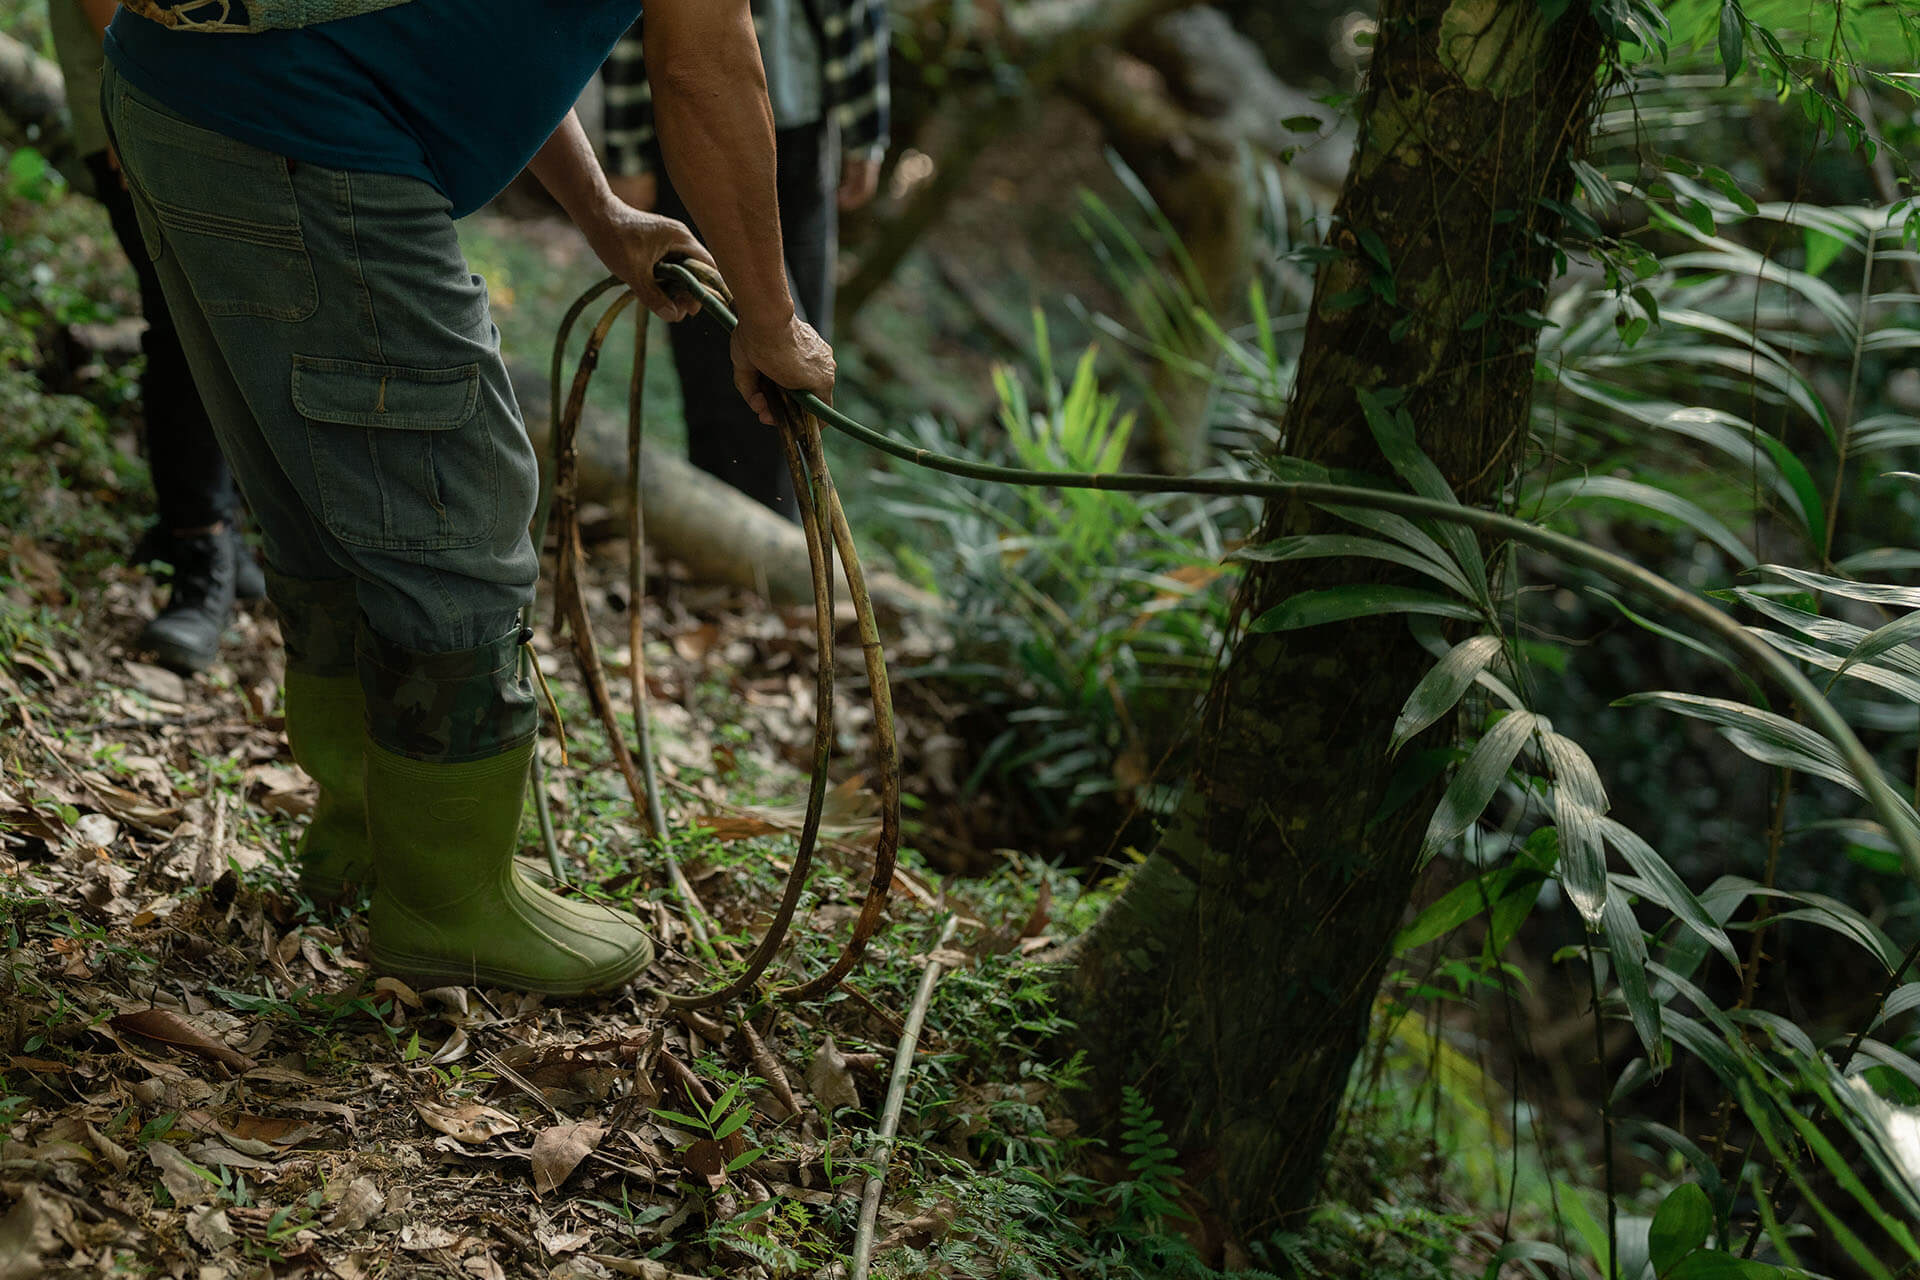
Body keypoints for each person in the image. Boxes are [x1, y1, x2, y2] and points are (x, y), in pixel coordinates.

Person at [101, 0, 834, 996]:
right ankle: (450, 902)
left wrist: (603, 214)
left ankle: (365, 839)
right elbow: (706, 66)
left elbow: (491, 33)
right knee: (456, 501)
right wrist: (773, 316)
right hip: (296, 126)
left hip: (188, 96)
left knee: (328, 496)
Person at [601, 0, 887, 518]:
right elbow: (638, 22)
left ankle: (783, 532)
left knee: (800, 349)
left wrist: (865, 127)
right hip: (699, 141)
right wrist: (627, 151)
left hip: (802, 129)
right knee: (712, 339)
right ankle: (729, 525)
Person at [47, 0, 264, 674]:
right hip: (144, 91)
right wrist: (133, 86)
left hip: (188, 98)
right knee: (183, 321)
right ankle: (201, 561)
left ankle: (217, 535)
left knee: (218, 324)